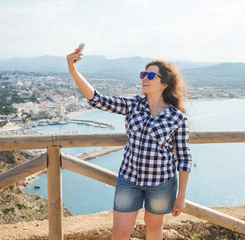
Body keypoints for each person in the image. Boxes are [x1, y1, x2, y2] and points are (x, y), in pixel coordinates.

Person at [67, 47, 192, 240]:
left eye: (151, 75)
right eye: (144, 74)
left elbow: (184, 159)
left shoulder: (177, 118)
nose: (145, 78)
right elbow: (97, 99)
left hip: (160, 184)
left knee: (153, 229)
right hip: (129, 180)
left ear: (165, 84)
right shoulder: (133, 105)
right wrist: (73, 70)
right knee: (120, 231)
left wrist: (181, 197)